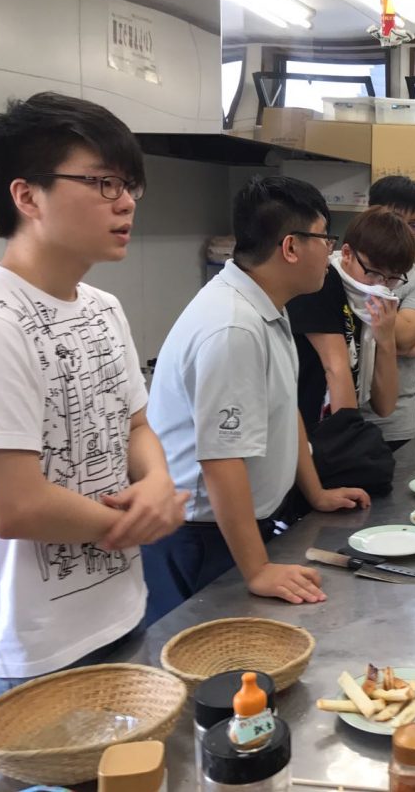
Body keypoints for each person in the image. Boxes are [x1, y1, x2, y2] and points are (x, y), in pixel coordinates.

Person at [0, 92, 186, 716]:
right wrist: (139, 521)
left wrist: (156, 480)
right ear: (27, 196)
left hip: (121, 614)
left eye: (129, 184)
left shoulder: (105, 309)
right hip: (25, 658)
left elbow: (135, 423)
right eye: (102, 182)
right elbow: (13, 505)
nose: (126, 201)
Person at [143, 176, 369, 625]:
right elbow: (220, 459)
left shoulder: (268, 305)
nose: (330, 251)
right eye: (325, 238)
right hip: (202, 536)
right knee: (203, 671)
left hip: (241, 525)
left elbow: (284, 412)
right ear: (290, 247)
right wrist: (257, 568)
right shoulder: (234, 327)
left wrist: (317, 492)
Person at [288, 206, 413, 434]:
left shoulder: (371, 300)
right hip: (302, 429)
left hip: (330, 430)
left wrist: (386, 339)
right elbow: (335, 369)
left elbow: (384, 406)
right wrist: (349, 449)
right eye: (373, 272)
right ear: (347, 253)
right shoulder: (321, 283)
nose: (381, 285)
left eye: (392, 278)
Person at [358, 176, 415, 452]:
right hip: (335, 416)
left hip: (395, 423)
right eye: (393, 218)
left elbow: (403, 337)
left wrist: (400, 341)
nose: (402, 230)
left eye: (414, 225)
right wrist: (398, 339)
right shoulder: (340, 265)